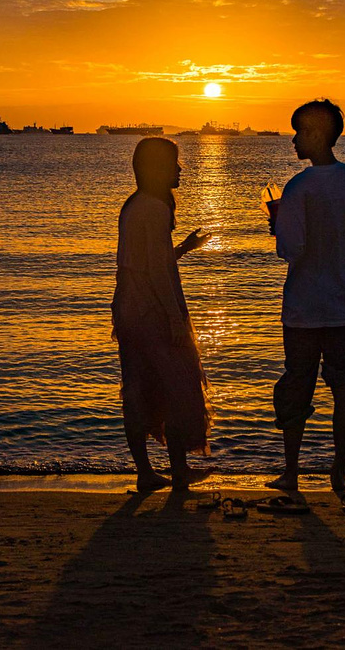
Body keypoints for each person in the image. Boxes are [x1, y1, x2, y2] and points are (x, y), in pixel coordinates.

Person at [268, 98, 345, 493]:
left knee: (298, 387)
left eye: (298, 131)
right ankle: (339, 473)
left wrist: (277, 226)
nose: (294, 140)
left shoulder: (299, 187)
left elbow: (290, 249)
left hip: (305, 308)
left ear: (315, 134)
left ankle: (291, 474)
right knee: (343, 388)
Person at [111, 137, 214, 491]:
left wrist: (184, 247)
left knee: (138, 389)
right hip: (150, 310)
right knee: (177, 387)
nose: (180, 169)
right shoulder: (155, 209)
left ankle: (145, 473)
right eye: (174, 163)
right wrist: (174, 318)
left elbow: (146, 260)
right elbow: (156, 271)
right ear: (156, 168)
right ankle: (179, 471)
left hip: (128, 308)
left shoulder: (134, 204)